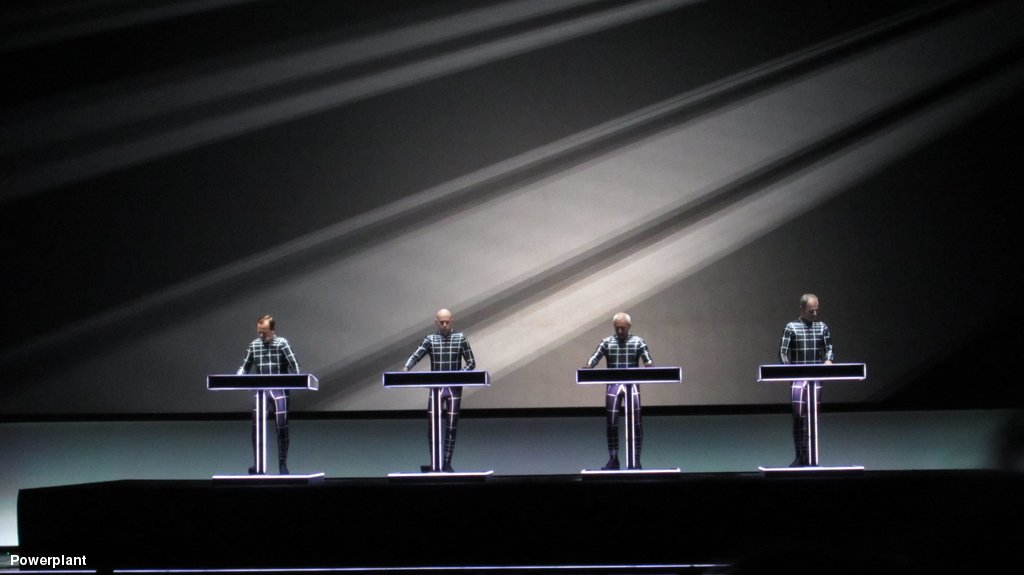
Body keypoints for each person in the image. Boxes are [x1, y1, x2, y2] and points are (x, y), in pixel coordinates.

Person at [403, 308, 476, 472]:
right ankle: (435, 462)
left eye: (447, 322)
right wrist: (406, 369)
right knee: (433, 425)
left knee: (451, 426)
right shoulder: (431, 339)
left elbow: (471, 363)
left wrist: (458, 375)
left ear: (452, 321)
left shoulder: (460, 338)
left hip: (454, 389)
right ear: (436, 322)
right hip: (436, 388)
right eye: (441, 322)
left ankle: (447, 462)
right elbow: (416, 355)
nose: (444, 325)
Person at [583, 312, 654, 470]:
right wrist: (588, 366)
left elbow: (648, 361)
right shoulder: (607, 342)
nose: (620, 331)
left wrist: (649, 366)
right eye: (617, 328)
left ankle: (636, 460)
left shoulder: (638, 342)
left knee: (636, 423)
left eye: (623, 328)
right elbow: (594, 357)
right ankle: (613, 459)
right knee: (612, 423)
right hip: (613, 386)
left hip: (632, 386)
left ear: (629, 326)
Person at [237, 314, 300, 475]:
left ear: (273, 330)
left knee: (282, 427)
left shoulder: (282, 343)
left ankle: (282, 465)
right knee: (256, 427)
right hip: (261, 392)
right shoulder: (254, 345)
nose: (261, 335)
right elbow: (245, 367)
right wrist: (237, 378)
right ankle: (258, 464)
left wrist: (298, 379)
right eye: (259, 331)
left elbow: (294, 365)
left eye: (264, 332)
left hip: (280, 390)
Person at [778, 293, 834, 467]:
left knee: (812, 418)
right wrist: (788, 370)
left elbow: (829, 348)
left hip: (816, 379)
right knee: (798, 417)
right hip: (798, 379)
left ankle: (811, 458)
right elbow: (782, 352)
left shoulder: (822, 327)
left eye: (816, 310)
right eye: (811, 311)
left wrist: (828, 360)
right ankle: (799, 456)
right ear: (802, 309)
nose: (814, 314)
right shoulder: (791, 327)